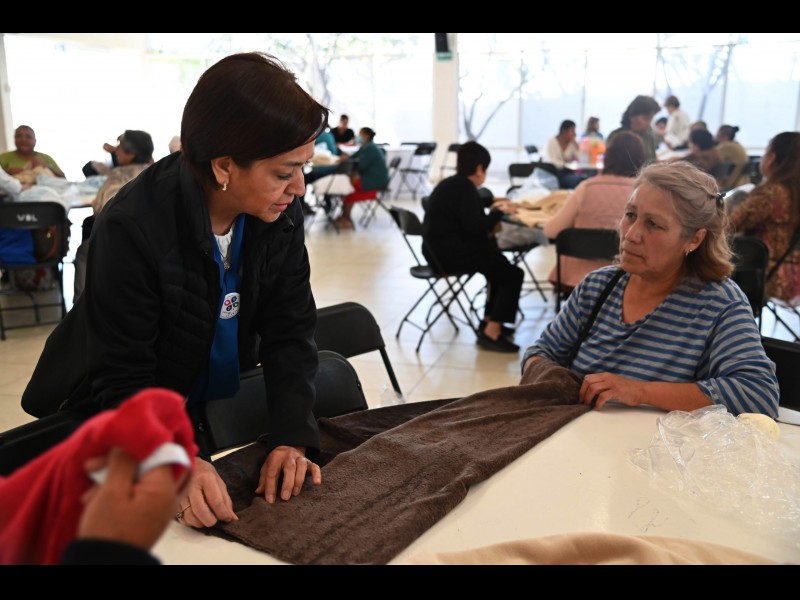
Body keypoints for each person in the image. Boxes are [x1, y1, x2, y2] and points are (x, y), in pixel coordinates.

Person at [20, 52, 327, 528]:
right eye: (285, 173)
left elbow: (291, 329)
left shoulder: (277, 213)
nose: (300, 188)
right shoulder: (134, 227)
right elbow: (123, 376)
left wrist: (292, 435)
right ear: (224, 166)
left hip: (205, 392)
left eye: (303, 167)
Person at [522, 160, 779, 418]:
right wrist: (551, 379)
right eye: (630, 215)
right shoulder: (597, 287)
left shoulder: (719, 304)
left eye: (653, 224)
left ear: (694, 239)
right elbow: (540, 353)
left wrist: (639, 391)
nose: (631, 234)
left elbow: (758, 394)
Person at [423, 141, 524, 353]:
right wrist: (498, 213)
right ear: (479, 169)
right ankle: (492, 331)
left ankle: (489, 320)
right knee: (512, 274)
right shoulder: (464, 188)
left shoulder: (453, 183)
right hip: (450, 255)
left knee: (499, 265)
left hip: (438, 252)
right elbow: (476, 227)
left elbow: (469, 207)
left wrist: (491, 203)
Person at [543, 130, 647, 295]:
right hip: (625, 280)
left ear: (607, 156)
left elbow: (551, 231)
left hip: (576, 279)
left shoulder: (587, 187)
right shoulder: (643, 193)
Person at [73, 130, 156, 302]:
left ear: (131, 153)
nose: (116, 150)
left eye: (120, 147)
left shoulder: (118, 175)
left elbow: (102, 210)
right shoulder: (156, 172)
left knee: (84, 252)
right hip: (153, 241)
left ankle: (81, 307)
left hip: (120, 241)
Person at [729, 131, 800, 307]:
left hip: (766, 275)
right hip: (794, 273)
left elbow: (730, 225)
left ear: (772, 158)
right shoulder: (794, 192)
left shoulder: (771, 192)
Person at [333, 127, 390, 229]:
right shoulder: (365, 146)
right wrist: (346, 158)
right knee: (349, 187)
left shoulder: (370, 148)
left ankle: (346, 218)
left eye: (360, 134)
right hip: (371, 177)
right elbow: (354, 156)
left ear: (366, 136)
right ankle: (345, 217)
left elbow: (361, 166)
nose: (358, 136)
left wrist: (351, 170)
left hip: (376, 180)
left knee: (350, 189)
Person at [0, 125, 65, 186]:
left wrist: (46, 167)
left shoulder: (46, 158)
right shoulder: (3, 157)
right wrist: (6, 172)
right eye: (19, 136)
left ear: (35, 141)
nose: (23, 139)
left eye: (28, 137)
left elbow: (64, 179)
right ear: (14, 139)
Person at [606, 95, 661, 164]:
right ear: (632, 116)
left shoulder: (649, 138)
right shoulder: (616, 137)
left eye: (651, 119)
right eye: (646, 119)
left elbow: (652, 163)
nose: (649, 124)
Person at [544, 119, 581, 189]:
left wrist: (576, 145)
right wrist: (566, 165)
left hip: (567, 173)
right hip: (553, 173)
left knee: (582, 179)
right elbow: (552, 160)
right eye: (572, 130)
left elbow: (581, 158)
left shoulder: (571, 144)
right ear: (564, 131)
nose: (575, 133)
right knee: (576, 181)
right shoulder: (552, 142)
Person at [715, 125, 749, 189]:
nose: (715, 136)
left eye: (717, 134)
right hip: (742, 183)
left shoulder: (725, 146)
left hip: (730, 186)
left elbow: (711, 160)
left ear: (725, 136)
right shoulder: (738, 145)